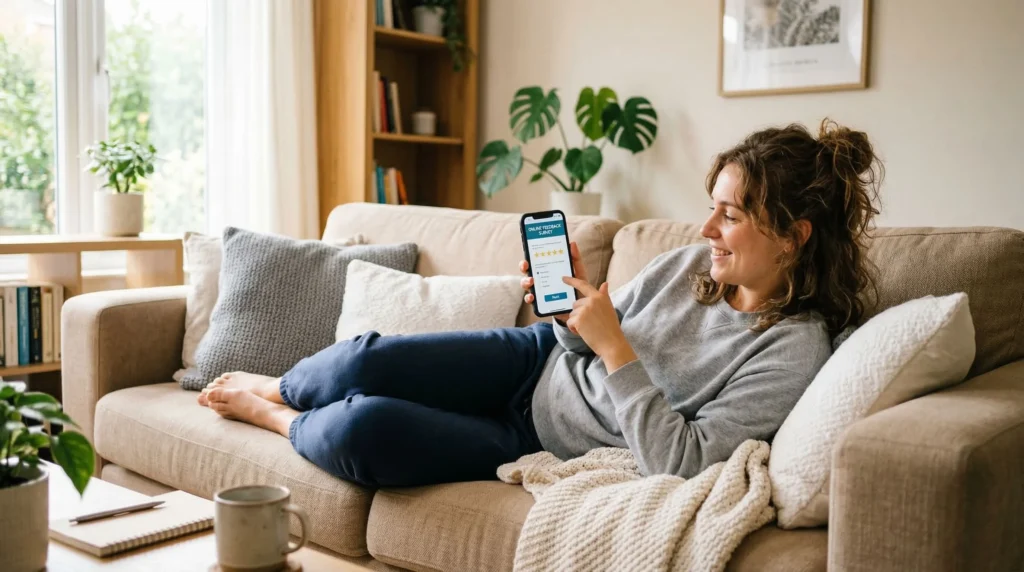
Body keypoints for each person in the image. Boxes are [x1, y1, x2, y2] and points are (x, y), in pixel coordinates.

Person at [197, 118, 881, 488]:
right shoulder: (690, 267)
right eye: (712, 209)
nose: (706, 231)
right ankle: (284, 383)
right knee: (362, 361)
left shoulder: (791, 349)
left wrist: (615, 346)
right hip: (532, 364)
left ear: (794, 237)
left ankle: (273, 416)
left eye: (729, 217)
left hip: (546, 440)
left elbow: (688, 463)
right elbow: (581, 345)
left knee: (364, 432)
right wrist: (572, 318)